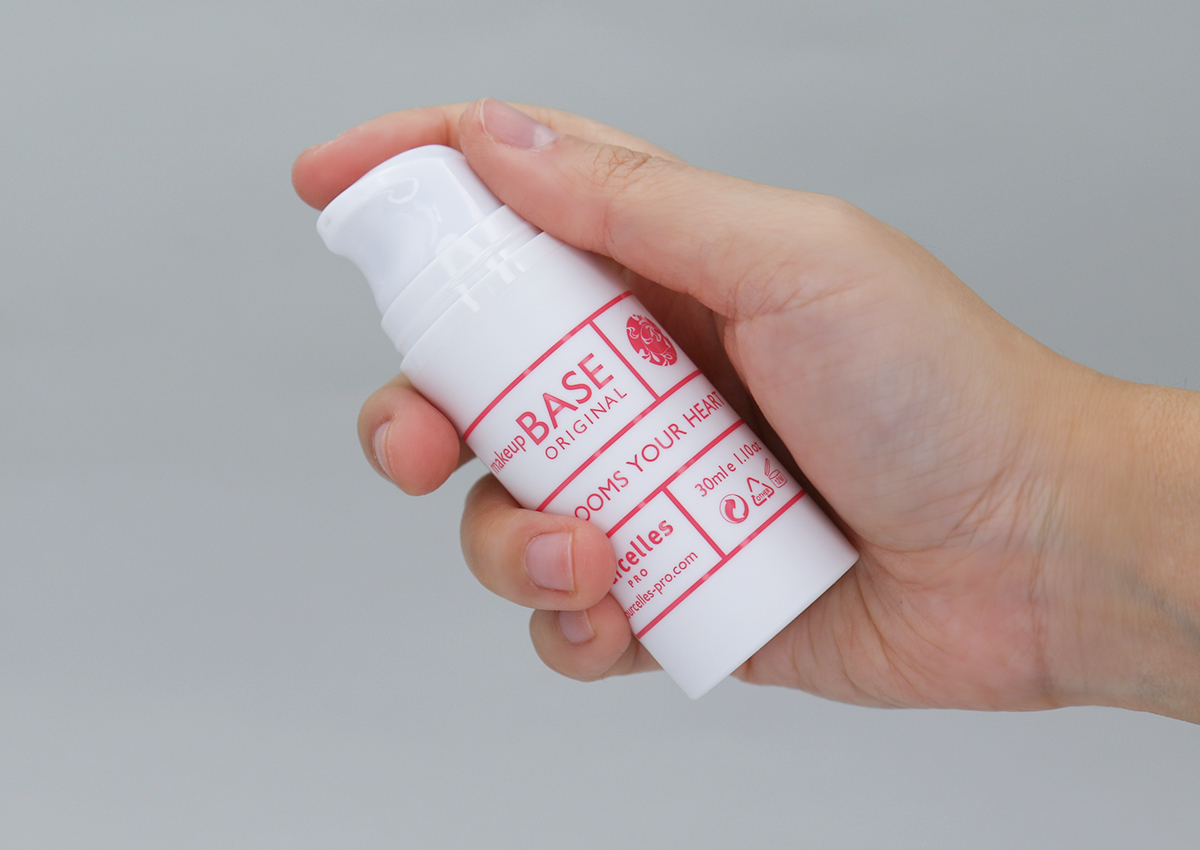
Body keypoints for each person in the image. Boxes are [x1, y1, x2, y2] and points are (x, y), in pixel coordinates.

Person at [293, 98, 1200, 724]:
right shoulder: (453, 340)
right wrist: (1038, 528)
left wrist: (1031, 506)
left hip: (792, 531)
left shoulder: (542, 275)